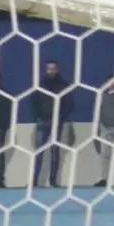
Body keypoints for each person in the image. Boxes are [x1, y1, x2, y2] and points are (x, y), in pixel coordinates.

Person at [30, 59, 76, 189]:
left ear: (57, 69)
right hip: (42, 122)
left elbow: (69, 104)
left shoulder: (63, 85)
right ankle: (34, 181)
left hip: (57, 122)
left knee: (55, 152)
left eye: (53, 68)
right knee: (38, 152)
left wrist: (60, 118)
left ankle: (53, 180)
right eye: (48, 68)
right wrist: (38, 116)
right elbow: (33, 102)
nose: (50, 71)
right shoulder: (40, 85)